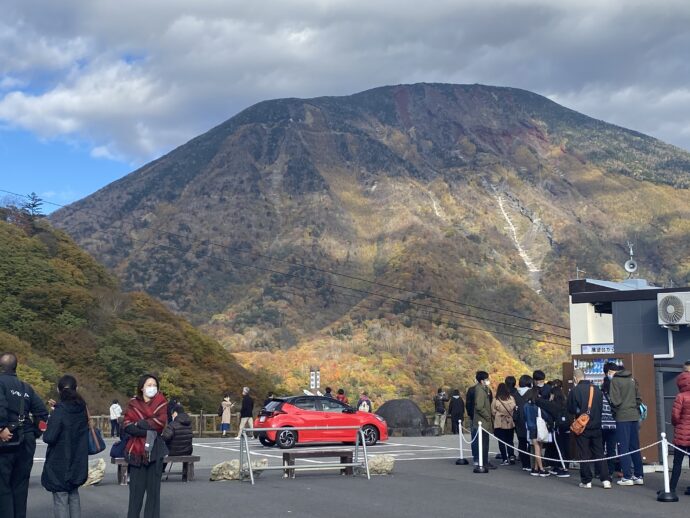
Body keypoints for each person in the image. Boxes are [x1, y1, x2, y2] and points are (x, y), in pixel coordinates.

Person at [0, 352, 49, 518]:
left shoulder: (0, 383)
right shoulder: (26, 388)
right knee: (20, 487)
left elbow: (1, 406)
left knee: (3, 486)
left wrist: (1, 428)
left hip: (6, 442)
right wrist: (33, 432)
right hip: (26, 441)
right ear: (16, 367)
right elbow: (42, 414)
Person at [41, 375, 89, 517]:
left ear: (58, 389)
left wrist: (54, 413)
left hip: (59, 464)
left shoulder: (60, 411)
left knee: (61, 498)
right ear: (77, 389)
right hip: (77, 462)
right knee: (73, 495)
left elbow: (49, 437)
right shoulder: (81, 410)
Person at [123, 374, 169, 518]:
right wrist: (147, 428)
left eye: (154, 385)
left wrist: (140, 424)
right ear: (141, 388)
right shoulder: (133, 404)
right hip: (137, 453)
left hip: (155, 453)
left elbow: (160, 425)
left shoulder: (162, 403)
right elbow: (127, 425)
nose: (152, 388)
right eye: (149, 385)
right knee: (136, 493)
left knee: (153, 494)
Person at [567, 369, 610, 488]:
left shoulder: (574, 391)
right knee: (599, 452)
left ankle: (587, 481)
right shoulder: (596, 390)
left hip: (582, 427)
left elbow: (570, 409)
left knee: (584, 453)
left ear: (575, 379)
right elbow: (600, 407)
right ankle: (605, 479)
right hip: (596, 425)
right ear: (584, 376)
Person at [609, 364, 644, 486]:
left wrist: (614, 409)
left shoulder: (615, 380)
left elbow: (615, 400)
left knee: (623, 447)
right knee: (635, 446)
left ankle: (627, 476)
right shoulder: (632, 380)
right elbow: (639, 399)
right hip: (634, 415)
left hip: (622, 417)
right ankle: (639, 475)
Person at [536, 385, 571, 477]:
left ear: (553, 395)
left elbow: (539, 401)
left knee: (560, 449)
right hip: (567, 428)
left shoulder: (553, 405)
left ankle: (564, 469)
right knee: (563, 448)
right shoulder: (565, 403)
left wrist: (539, 396)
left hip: (558, 429)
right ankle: (558, 466)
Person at [671, 370, 690, 495]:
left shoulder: (681, 396)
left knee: (677, 462)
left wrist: (676, 424)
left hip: (682, 434)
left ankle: (671, 488)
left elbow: (675, 416)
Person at [471, 371, 495, 469]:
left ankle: (484, 461)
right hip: (482, 421)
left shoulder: (484, 389)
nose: (488, 381)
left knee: (485, 442)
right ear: (482, 380)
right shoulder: (480, 390)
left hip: (483, 420)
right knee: (483, 443)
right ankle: (484, 462)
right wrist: (488, 416)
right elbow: (479, 407)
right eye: (486, 379)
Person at [600, 363, 620, 477]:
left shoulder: (600, 388)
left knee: (600, 448)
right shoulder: (617, 388)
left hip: (602, 423)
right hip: (613, 423)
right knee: (611, 449)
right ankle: (610, 471)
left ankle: (600, 471)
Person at [523, 388, 548, 476]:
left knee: (536, 447)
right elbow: (545, 415)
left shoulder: (526, 405)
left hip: (530, 427)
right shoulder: (538, 405)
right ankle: (541, 469)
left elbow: (525, 417)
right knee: (538, 448)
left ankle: (535, 468)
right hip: (539, 427)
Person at [491, 383, 516, 465]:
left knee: (501, 441)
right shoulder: (511, 398)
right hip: (510, 422)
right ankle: (511, 455)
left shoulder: (496, 399)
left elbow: (493, 411)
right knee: (510, 440)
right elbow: (515, 409)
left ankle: (504, 458)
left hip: (500, 422)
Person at [514, 375, 532, 471]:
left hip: (519, 421)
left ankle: (524, 463)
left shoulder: (516, 393)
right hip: (529, 420)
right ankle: (529, 463)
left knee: (521, 442)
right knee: (530, 442)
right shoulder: (531, 393)